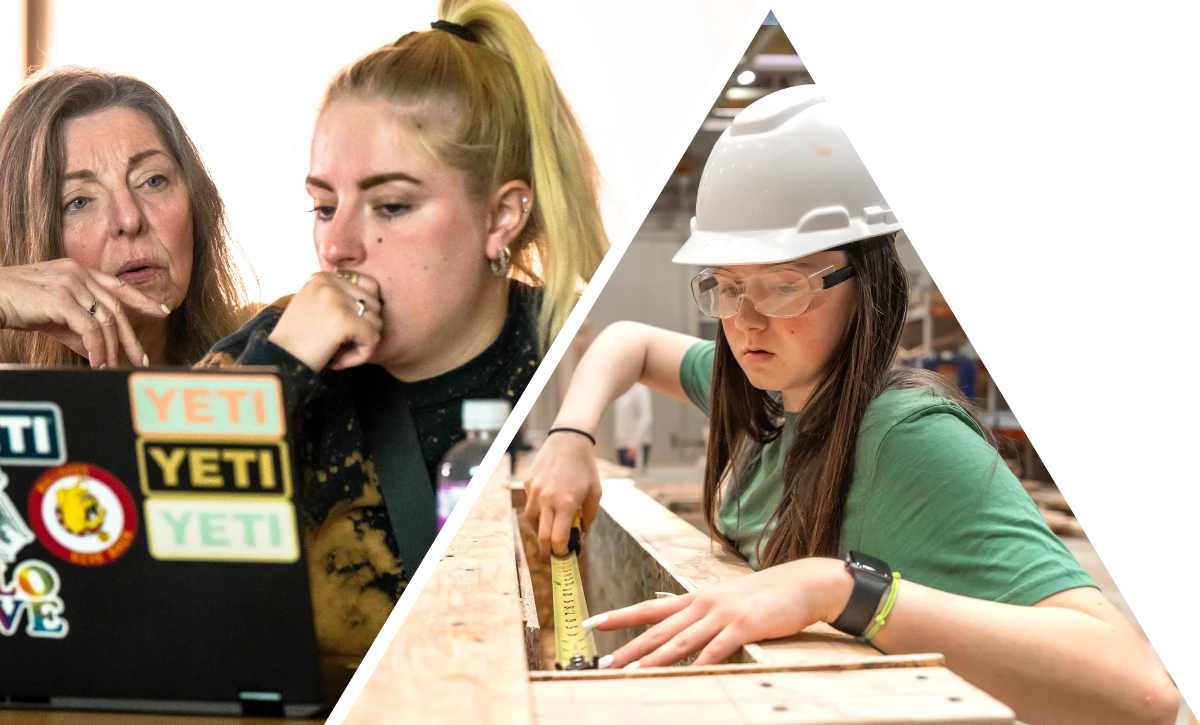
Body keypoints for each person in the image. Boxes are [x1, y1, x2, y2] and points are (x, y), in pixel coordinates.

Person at [521, 85, 1179, 725]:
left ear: (865, 281)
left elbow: (1141, 692)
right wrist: (571, 434)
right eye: (725, 286)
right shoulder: (765, 387)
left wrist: (845, 589)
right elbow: (627, 341)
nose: (746, 322)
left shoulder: (904, 436)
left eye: (782, 285)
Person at [196, 0, 609, 672]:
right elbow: (161, 578)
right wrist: (281, 367)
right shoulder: (268, 351)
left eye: (391, 205)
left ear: (501, 217)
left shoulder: (568, 361)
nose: (336, 243)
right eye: (324, 205)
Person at [0, 66, 254, 368]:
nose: (130, 220)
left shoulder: (267, 347)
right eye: (79, 201)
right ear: (22, 238)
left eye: (153, 181)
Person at [613, 382, 652, 469]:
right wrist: (618, 443)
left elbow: (645, 418)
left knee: (636, 479)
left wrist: (634, 443)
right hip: (622, 445)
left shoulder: (640, 390)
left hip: (635, 446)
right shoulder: (621, 390)